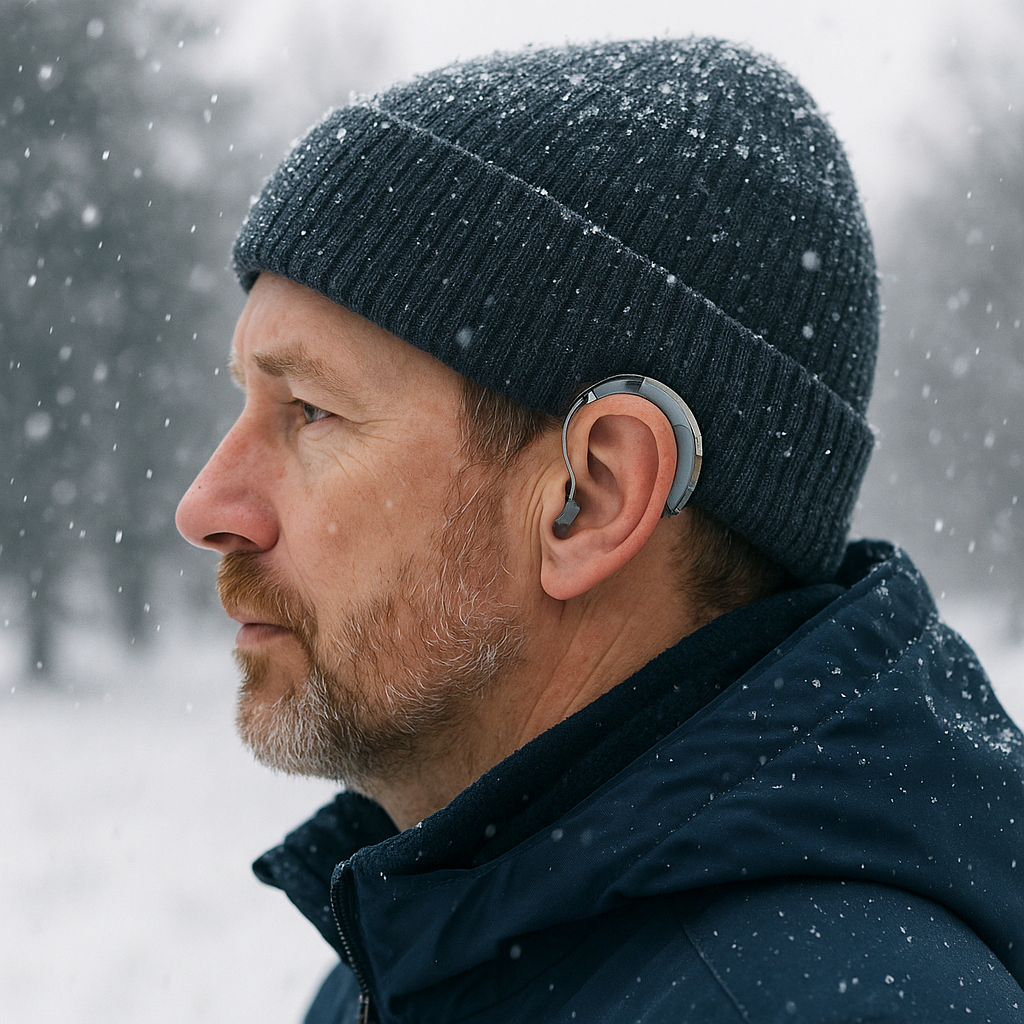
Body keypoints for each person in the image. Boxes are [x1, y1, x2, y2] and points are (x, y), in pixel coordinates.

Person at [175, 37, 1024, 1024]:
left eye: (311, 410)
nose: (206, 507)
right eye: (244, 404)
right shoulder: (432, 941)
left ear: (594, 494)